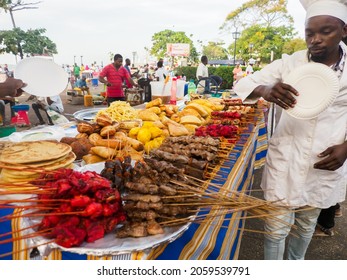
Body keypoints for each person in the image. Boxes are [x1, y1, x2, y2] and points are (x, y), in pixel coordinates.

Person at [234, 0, 347, 260]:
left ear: (344, 31)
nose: (315, 40)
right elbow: (244, 83)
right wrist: (265, 89)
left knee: (306, 226)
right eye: (310, 33)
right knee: (275, 229)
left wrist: (346, 147)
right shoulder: (290, 64)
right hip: (286, 158)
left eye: (325, 31)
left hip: (324, 160)